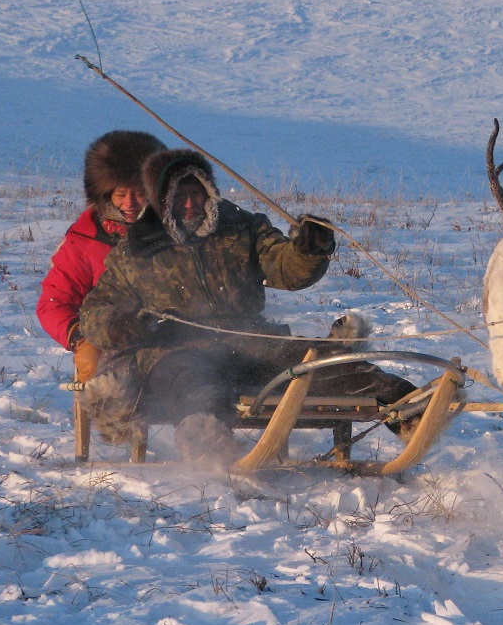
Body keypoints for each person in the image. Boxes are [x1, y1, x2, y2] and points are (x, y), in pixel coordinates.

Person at [78, 147, 415, 459]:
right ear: (162, 200)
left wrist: (309, 250)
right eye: (179, 195)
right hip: (176, 350)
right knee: (196, 385)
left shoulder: (242, 228)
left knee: (318, 363)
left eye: (197, 192)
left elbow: (286, 269)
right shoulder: (138, 249)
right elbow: (95, 310)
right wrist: (117, 324)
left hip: (251, 339)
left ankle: (408, 406)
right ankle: (209, 450)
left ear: (210, 192)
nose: (190, 203)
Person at [36, 130, 167, 382]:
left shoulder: (176, 229)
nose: (129, 203)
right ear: (105, 193)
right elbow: (54, 301)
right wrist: (80, 338)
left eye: (138, 193)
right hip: (113, 341)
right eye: (121, 194)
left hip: (177, 340)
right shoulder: (85, 238)